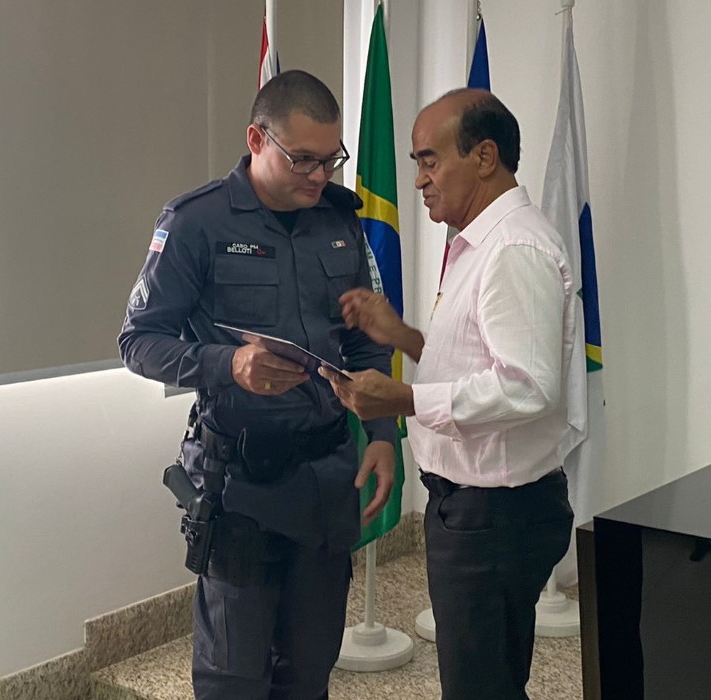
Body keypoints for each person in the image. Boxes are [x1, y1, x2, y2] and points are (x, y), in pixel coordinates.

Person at [118, 70, 397, 700]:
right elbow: (138, 341)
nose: (319, 176)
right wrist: (227, 364)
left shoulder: (340, 221)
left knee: (310, 669)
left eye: (330, 159)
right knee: (234, 678)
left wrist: (382, 432)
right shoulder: (197, 222)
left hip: (326, 479)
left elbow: (365, 343)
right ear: (256, 140)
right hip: (240, 487)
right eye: (302, 160)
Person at [319, 89, 578, 700]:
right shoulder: (481, 242)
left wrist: (404, 401)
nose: (419, 181)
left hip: (494, 518)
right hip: (479, 512)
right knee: (488, 681)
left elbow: (527, 386)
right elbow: (479, 358)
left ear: (484, 156)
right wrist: (405, 337)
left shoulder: (512, 249)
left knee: (479, 687)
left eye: (429, 161)